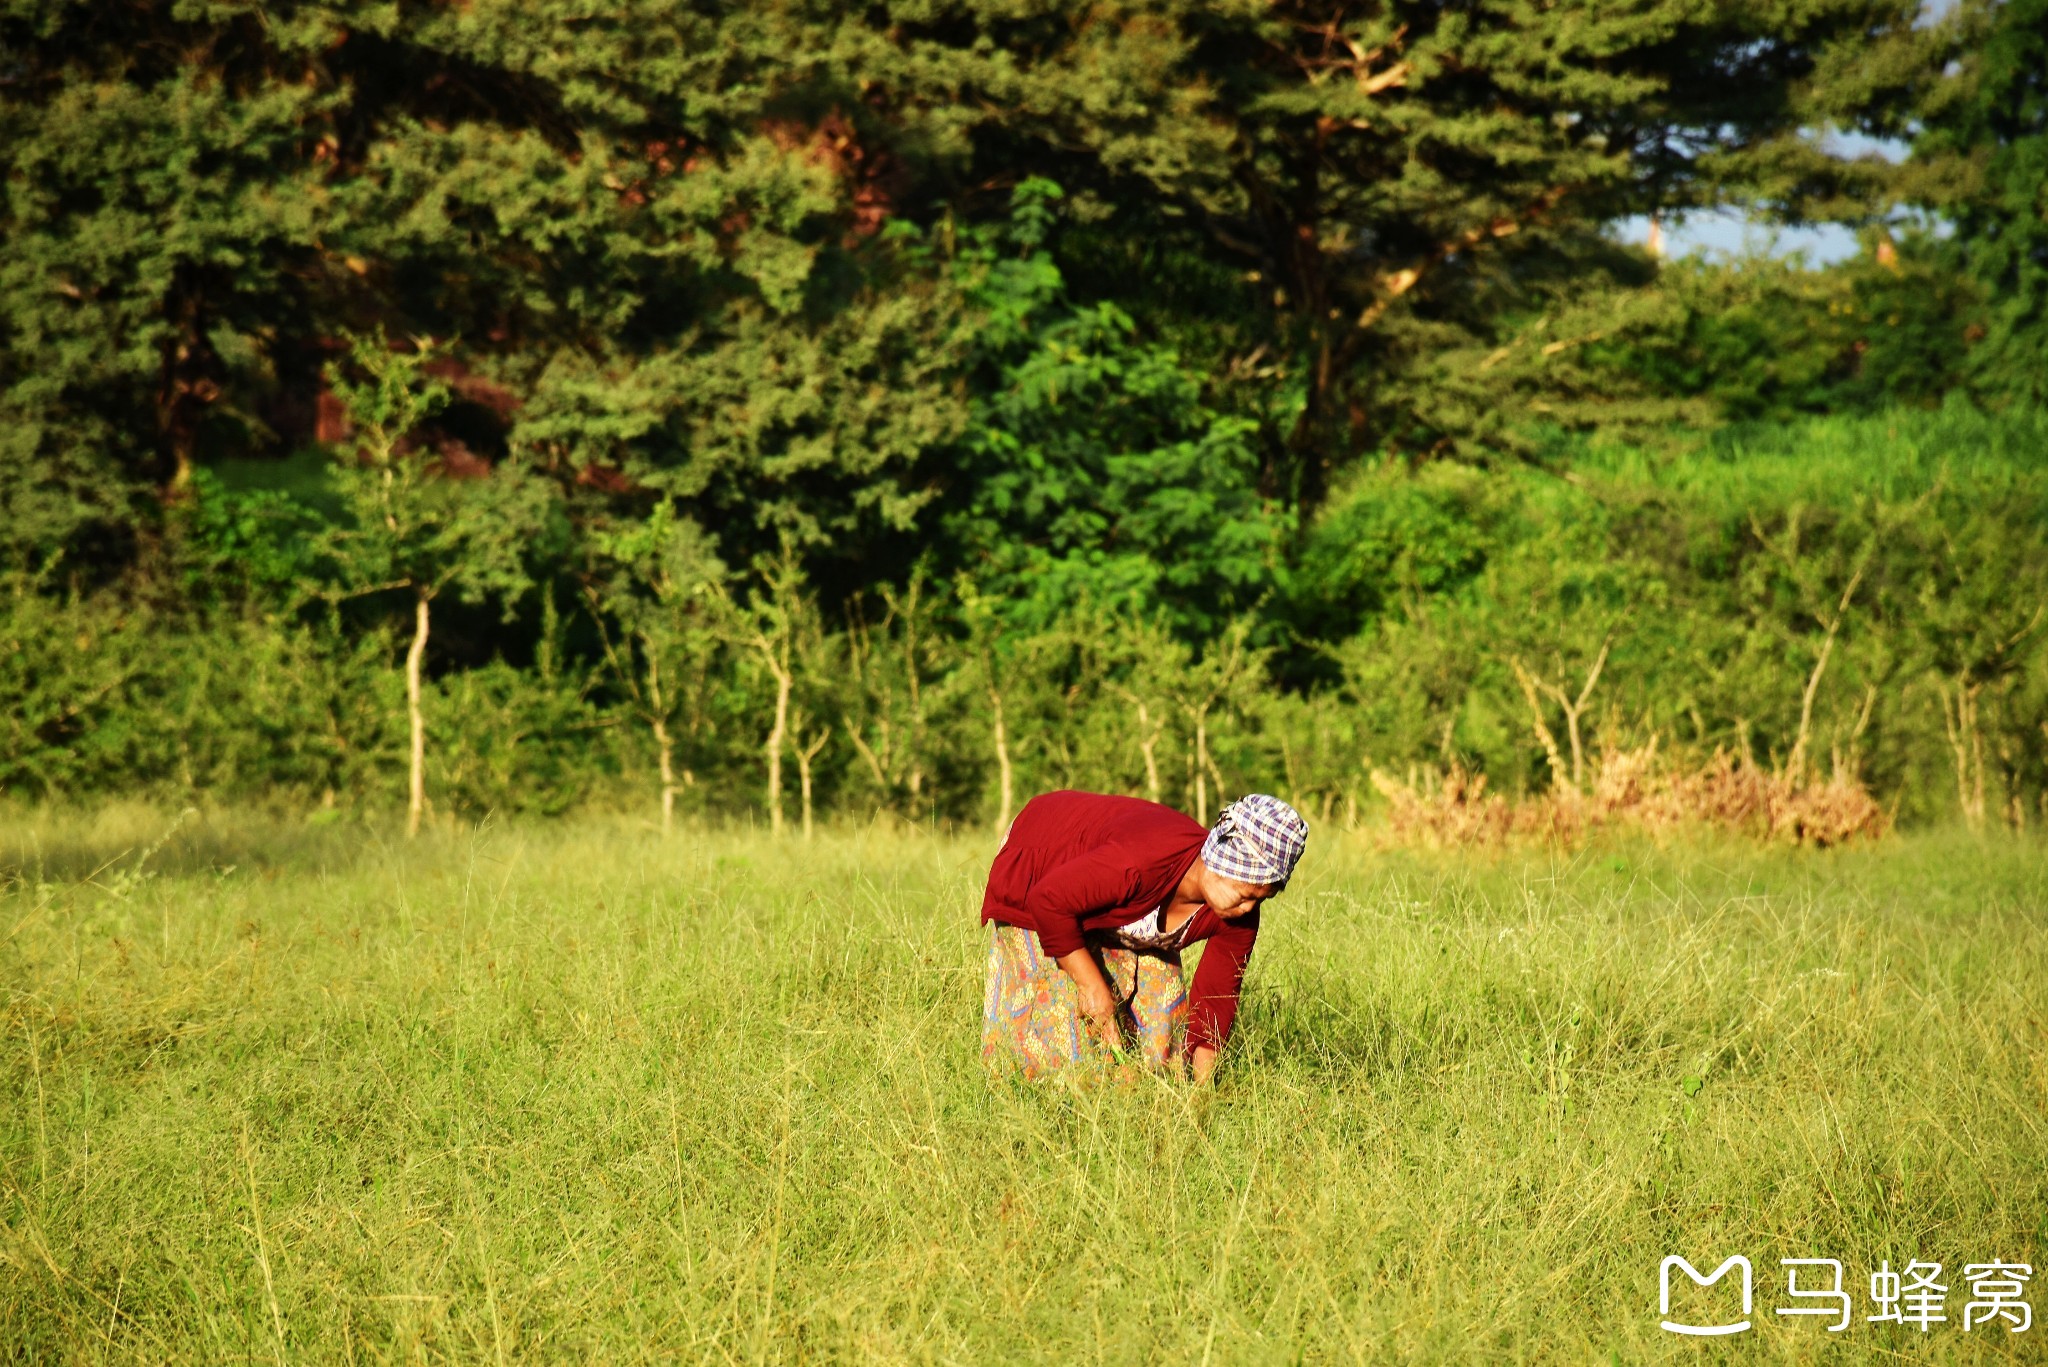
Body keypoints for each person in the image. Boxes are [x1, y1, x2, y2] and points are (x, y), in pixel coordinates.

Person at [979, 789, 1309, 1085]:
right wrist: (1091, 985)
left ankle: (1143, 1103)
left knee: (1164, 1033)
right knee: (1065, 1033)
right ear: (1225, 861)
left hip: (1109, 901)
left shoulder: (1239, 914)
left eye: (1260, 898)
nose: (1247, 907)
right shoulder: (1137, 864)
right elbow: (1048, 901)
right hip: (1044, 860)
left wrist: (1202, 1093)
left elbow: (1215, 1000)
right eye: (1244, 891)